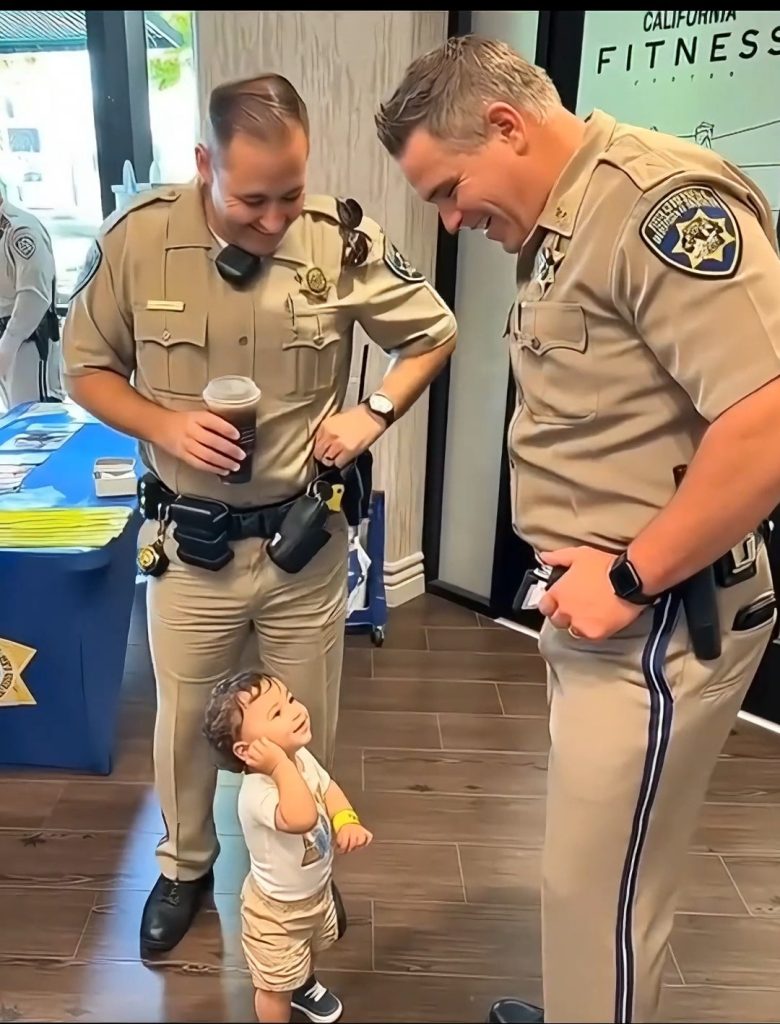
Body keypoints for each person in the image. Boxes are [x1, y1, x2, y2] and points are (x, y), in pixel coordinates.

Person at [375, 34, 780, 1024]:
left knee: (597, 893)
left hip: (658, 617)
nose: (450, 218)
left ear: (507, 125)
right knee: (598, 876)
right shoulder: (564, 220)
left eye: (448, 187)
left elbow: (768, 418)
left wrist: (633, 576)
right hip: (611, 619)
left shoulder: (655, 206)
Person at [60, 71, 456, 1000]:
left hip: (303, 548)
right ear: (204, 163)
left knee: (303, 727)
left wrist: (373, 411)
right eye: (252, 199)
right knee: (185, 727)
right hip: (188, 549)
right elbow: (84, 366)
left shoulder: (338, 239)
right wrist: (161, 424)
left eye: (291, 193)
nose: (276, 219)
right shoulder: (140, 242)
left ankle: (306, 867)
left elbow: (432, 330)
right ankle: (185, 866)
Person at [203, 670, 372, 1024]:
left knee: (307, 949)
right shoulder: (258, 793)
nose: (296, 711)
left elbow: (327, 789)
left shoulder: (299, 757)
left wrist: (346, 819)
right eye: (277, 713)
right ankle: (285, 993)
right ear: (246, 751)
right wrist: (281, 766)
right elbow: (302, 818)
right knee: (272, 986)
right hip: (276, 914)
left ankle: (302, 984)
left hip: (314, 892)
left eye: (290, 699)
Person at [0, 192, 64, 411]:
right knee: (14, 420)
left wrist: (7, 346)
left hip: (29, 342)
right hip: (8, 336)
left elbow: (34, 297)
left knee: (34, 418)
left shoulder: (20, 231)